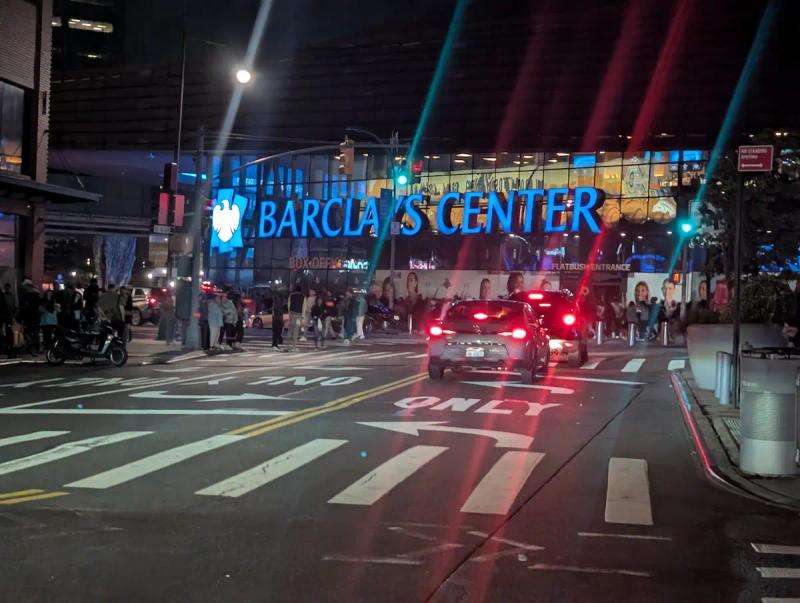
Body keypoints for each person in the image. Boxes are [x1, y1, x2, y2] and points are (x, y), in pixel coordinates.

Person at [19, 279, 41, 355]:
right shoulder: (36, 293)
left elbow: (27, 306)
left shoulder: (29, 294)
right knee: (34, 333)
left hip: (30, 316)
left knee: (29, 332)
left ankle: (31, 348)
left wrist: (21, 315)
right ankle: (35, 348)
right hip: (35, 316)